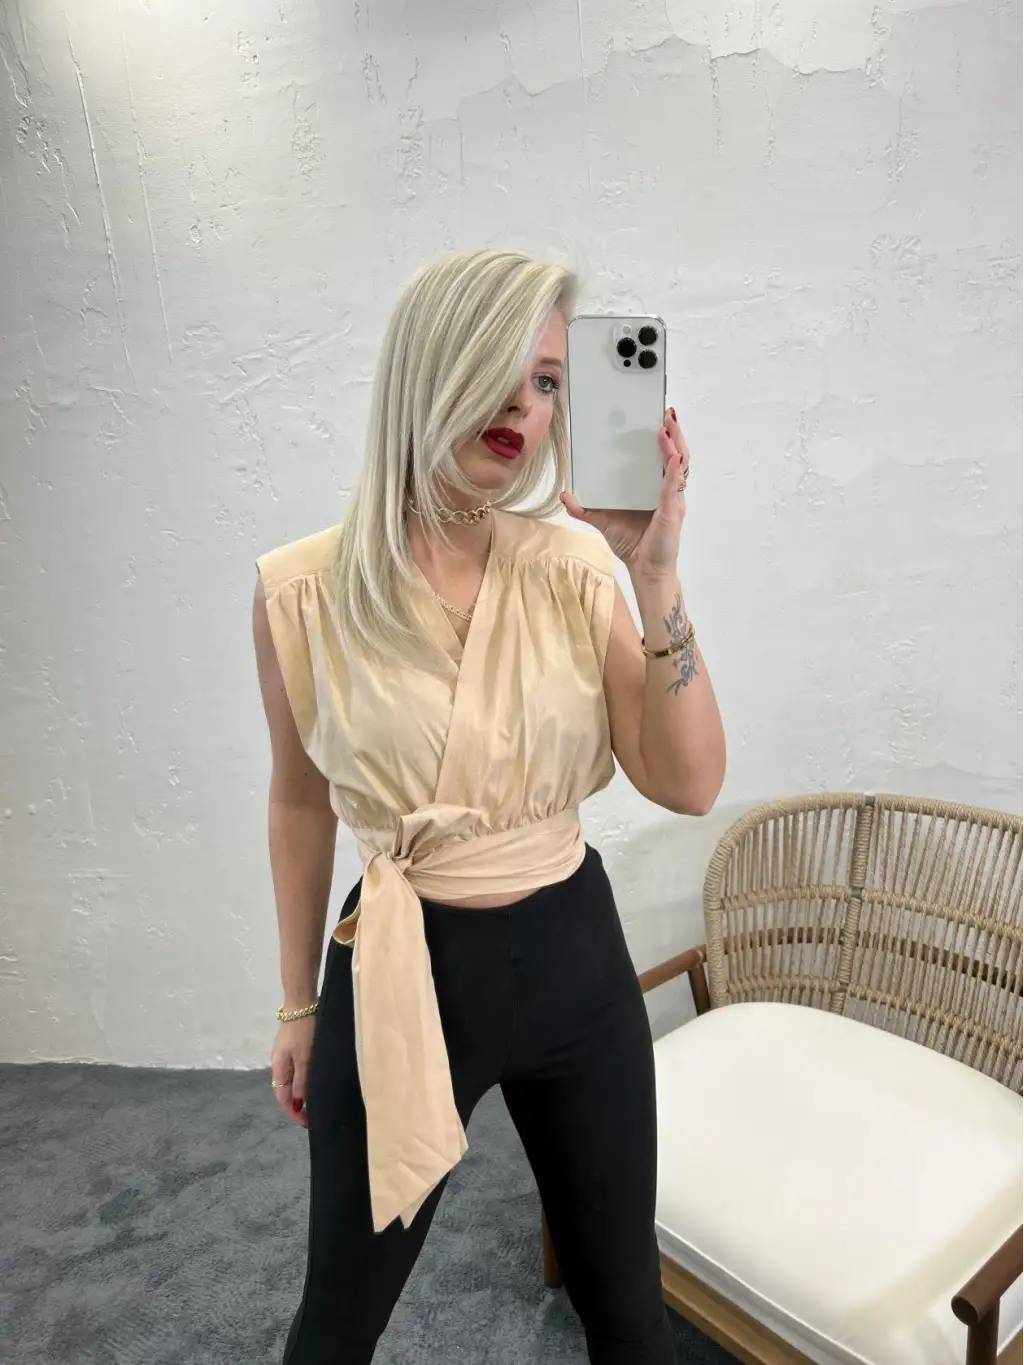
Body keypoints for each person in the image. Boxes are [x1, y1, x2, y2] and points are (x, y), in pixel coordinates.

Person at [253, 248, 726, 1365]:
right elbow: (298, 800)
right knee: (337, 1324)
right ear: (431, 367)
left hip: (575, 958)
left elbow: (689, 781)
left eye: (549, 380)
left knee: (627, 1312)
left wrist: (654, 575)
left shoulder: (573, 568)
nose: (526, 406)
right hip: (404, 968)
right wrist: (295, 1004)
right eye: (501, 369)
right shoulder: (304, 592)